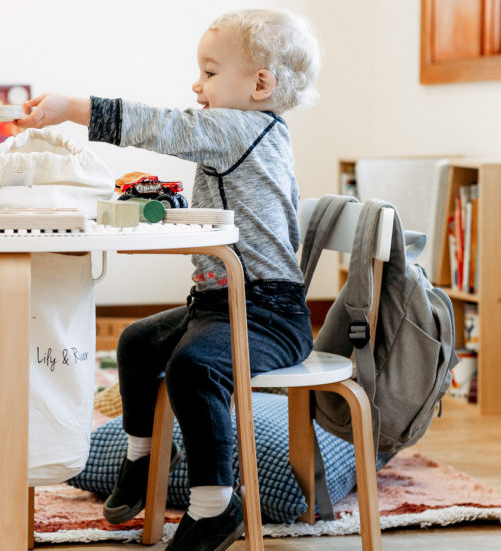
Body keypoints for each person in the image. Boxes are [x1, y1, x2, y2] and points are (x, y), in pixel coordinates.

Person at [17, 8, 320, 551]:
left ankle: (215, 508)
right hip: (218, 302)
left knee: (194, 367)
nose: (195, 84)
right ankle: (145, 453)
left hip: (267, 314)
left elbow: (163, 125)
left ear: (260, 84)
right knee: (135, 342)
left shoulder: (243, 127)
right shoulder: (246, 134)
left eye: (208, 72)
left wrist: (73, 108)